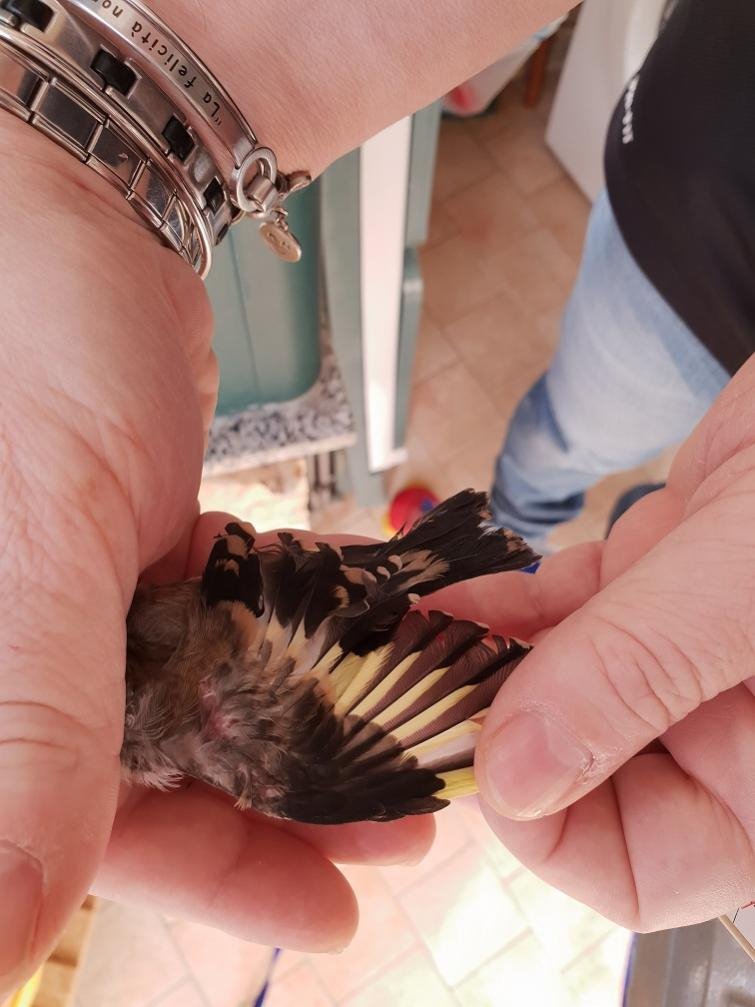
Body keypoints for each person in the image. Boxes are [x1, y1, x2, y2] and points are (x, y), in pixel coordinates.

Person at [1, 0, 753, 998]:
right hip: (692, 197)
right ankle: (518, 520)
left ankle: (515, 528)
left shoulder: (240, 740)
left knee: (603, 502)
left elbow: (381, 714)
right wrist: (70, 179)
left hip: (689, 217)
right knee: (590, 472)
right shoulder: (212, 698)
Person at [491, 0, 747, 552]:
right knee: (558, 452)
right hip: (703, 250)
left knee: (671, 523)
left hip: (702, 213)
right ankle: (500, 547)